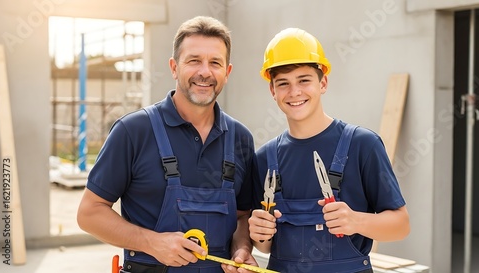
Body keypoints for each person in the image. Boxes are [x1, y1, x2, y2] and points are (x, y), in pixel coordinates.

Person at [77, 16, 258, 273]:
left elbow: (242, 216)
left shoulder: (240, 138)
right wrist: (151, 243)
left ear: (227, 73)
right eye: (194, 60)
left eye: (215, 63)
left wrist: (242, 250)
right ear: (174, 67)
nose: (204, 72)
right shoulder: (133, 131)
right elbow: (89, 213)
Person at [248, 28, 410, 273]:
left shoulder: (362, 145)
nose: (295, 92)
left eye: (304, 80)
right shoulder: (264, 159)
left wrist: (356, 221)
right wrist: (260, 235)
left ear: (323, 82)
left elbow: (401, 226)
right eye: (283, 83)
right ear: (273, 91)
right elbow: (267, 247)